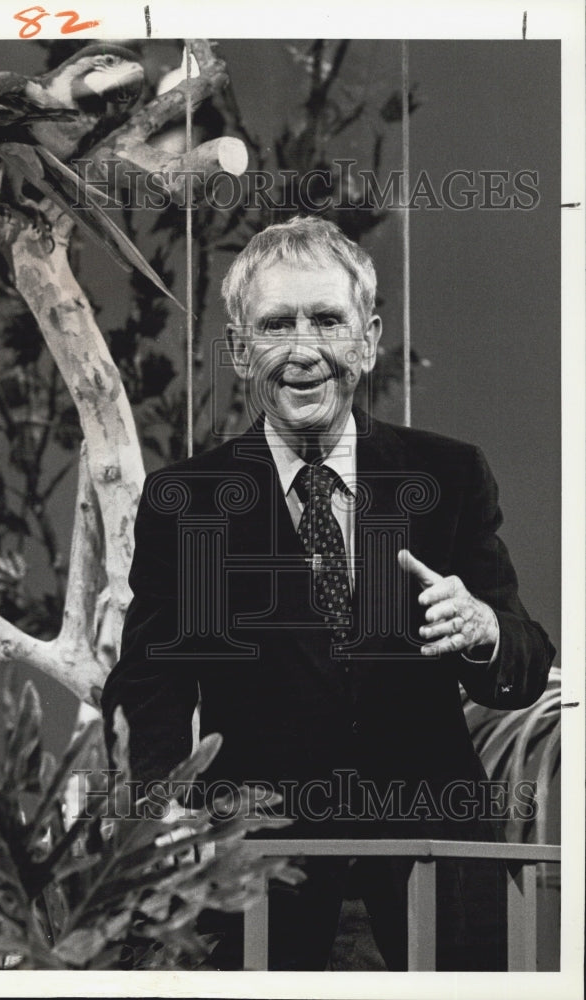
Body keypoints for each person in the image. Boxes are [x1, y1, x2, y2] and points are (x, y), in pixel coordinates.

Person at [101, 216, 555, 971]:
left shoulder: (447, 476)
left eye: (327, 320)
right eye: (276, 325)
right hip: (257, 878)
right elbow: (148, 683)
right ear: (241, 350)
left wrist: (484, 629)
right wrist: (163, 805)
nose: (303, 349)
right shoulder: (187, 500)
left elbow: (525, 664)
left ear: (368, 340)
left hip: (436, 868)